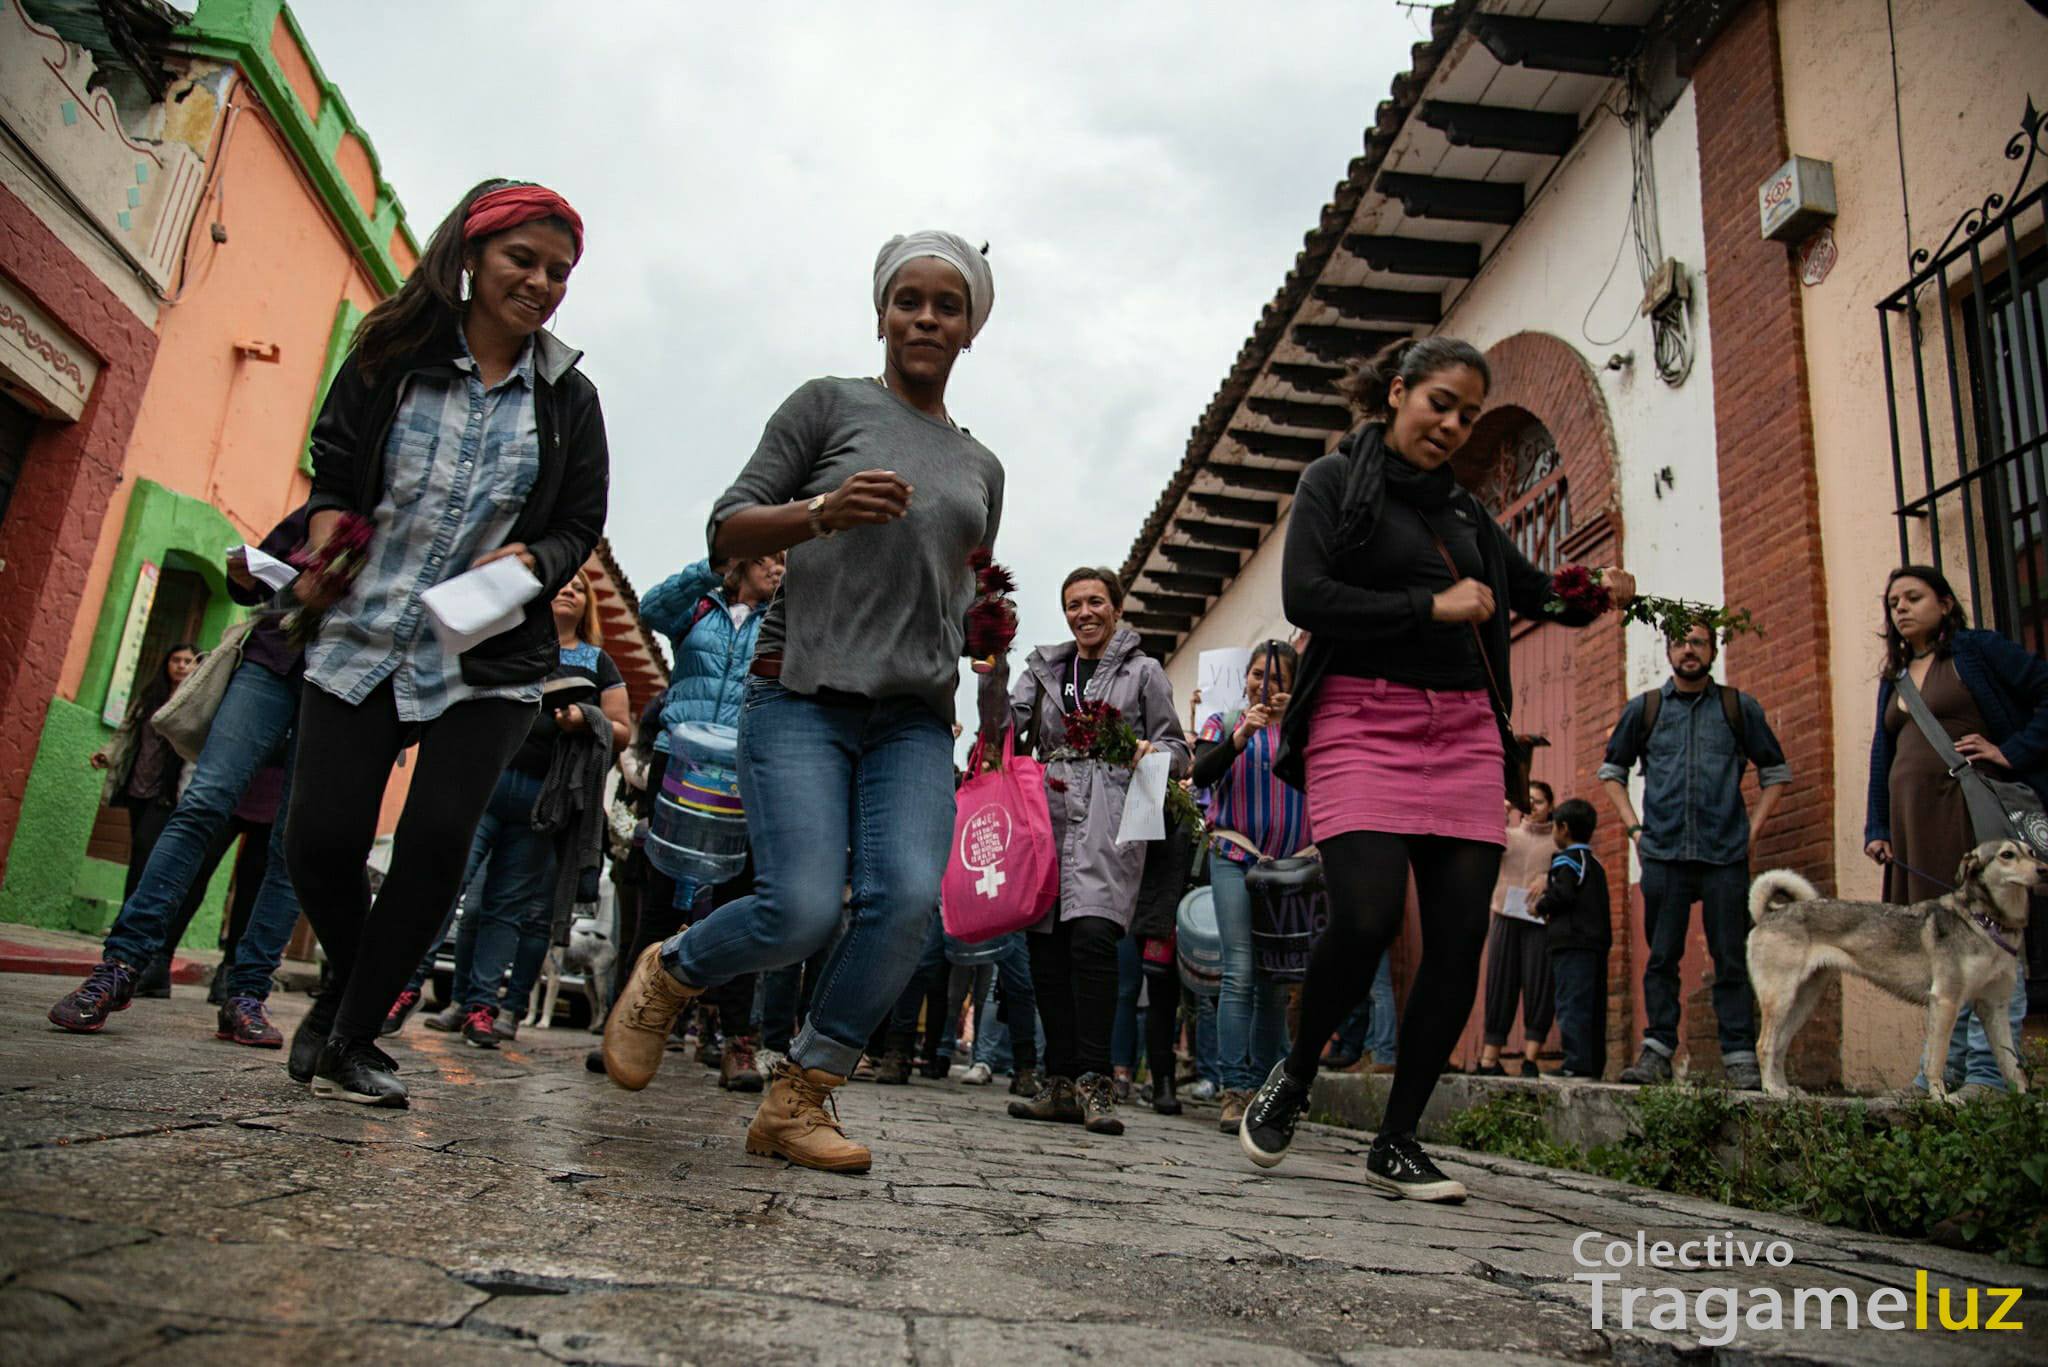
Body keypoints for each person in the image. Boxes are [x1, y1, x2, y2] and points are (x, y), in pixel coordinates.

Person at [603, 231, 1003, 1175]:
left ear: (971, 328)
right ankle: (673, 967)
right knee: (800, 909)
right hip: (799, 692)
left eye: (948, 305)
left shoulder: (982, 466)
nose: (926, 318)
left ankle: (801, 1096)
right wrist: (822, 512)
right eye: (910, 299)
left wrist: (981, 619)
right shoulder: (827, 406)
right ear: (881, 313)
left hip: (912, 714)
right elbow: (727, 526)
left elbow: (965, 581)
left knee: (908, 898)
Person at [1235, 336, 1634, 1201]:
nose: (1452, 424)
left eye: (1467, 413)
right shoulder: (1334, 483)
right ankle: (1297, 1072)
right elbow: (1308, 596)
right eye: (1440, 403)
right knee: (1369, 914)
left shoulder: (1467, 515)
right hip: (1360, 719)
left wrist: (1597, 590)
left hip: (1460, 732)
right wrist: (1431, 604)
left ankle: (1400, 1137)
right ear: (1397, 391)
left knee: (1460, 936)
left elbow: (1534, 595)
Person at [283, 178, 609, 1108]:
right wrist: (325, 537)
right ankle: (358, 987)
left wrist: (537, 557)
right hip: (364, 627)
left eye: (560, 270)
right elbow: (335, 468)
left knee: (433, 843)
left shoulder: (568, 398)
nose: (542, 283)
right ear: (469, 257)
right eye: (523, 261)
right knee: (320, 842)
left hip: (489, 655)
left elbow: (579, 523)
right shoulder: (389, 356)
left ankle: (348, 1037)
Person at [51, 508, 320, 1044]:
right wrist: (243, 576)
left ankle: (246, 993)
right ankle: (120, 966)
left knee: (293, 842)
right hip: (274, 657)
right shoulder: (338, 490)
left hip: (346, 685)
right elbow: (257, 576)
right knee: (201, 804)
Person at [385, 568, 628, 1047]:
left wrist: (587, 717)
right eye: (562, 584)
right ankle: (398, 989)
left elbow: (622, 729)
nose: (569, 591)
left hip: (544, 798)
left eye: (580, 588)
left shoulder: (600, 663)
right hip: (485, 782)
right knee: (442, 884)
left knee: (506, 907)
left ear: (588, 607)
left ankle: (483, 1006)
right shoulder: (512, 636)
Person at [1005, 567, 1190, 1135]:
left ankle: (1095, 1082)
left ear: (1115, 606)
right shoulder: (1043, 669)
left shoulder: (1144, 672)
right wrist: (988, 673)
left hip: (1112, 813)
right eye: (1072, 604)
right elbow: (1005, 734)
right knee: (1046, 947)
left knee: (1092, 937)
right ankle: (1058, 1082)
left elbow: (1178, 750)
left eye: (1093, 602)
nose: (1083, 613)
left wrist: (1146, 753)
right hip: (1048, 812)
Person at [1864, 566, 2048, 1096]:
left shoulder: (1977, 651)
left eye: (1913, 597)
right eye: (1893, 600)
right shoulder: (1895, 678)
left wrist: (2009, 752)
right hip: (1915, 826)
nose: (1900, 608)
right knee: (1946, 953)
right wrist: (1878, 824)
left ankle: (1991, 1076)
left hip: (1973, 821)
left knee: (1994, 943)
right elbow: (1884, 753)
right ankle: (1942, 1073)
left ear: (1945, 604)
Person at [1599, 623, 1791, 1091]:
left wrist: (1752, 830)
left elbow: (1777, 772)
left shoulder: (1737, 707)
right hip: (1663, 851)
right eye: (1681, 642)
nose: (1690, 650)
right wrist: (1634, 829)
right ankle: (1657, 1052)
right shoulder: (1644, 709)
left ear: (1712, 651)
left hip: (1724, 854)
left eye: (1699, 643)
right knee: (1661, 957)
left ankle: (1740, 1055)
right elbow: (1612, 772)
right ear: (1668, 650)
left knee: (1732, 956)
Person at [620, 550, 785, 1086]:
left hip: (745, 766)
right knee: (660, 897)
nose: (777, 568)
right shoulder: (698, 610)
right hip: (681, 756)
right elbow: (650, 607)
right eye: (769, 558)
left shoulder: (782, 621)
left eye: (785, 562)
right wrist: (716, 563)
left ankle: (738, 1041)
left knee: (740, 899)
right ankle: (632, 1021)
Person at [1194, 640, 1309, 1132]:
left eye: (1279, 679)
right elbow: (1199, 772)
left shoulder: (1309, 727)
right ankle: (1234, 1089)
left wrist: (1297, 724)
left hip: (1290, 871)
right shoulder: (1223, 722)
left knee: (1276, 982)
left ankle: (1267, 1089)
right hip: (1235, 857)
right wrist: (1241, 737)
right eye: (1259, 675)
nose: (1267, 686)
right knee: (1240, 971)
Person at [1476, 783, 1556, 1078]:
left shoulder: (1557, 842)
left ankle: (1530, 1059)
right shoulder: (1507, 836)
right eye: (1529, 801)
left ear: (1550, 805)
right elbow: (1482, 845)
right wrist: (1500, 812)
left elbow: (1574, 867)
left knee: (1539, 984)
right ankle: (1488, 1059)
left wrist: (1548, 877)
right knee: (1500, 982)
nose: (1533, 807)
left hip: (1539, 918)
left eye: (1539, 801)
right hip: (1504, 913)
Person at [1130, 806, 1197, 1113]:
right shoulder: (1167, 775)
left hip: (1204, 894)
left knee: (1212, 999)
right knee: (1161, 995)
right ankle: (1162, 1081)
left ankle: (1232, 1083)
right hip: (1162, 900)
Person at [1537, 798, 1609, 1079]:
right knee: (1594, 1005)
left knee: (1571, 1003)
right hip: (1595, 944)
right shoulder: (1595, 863)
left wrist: (1540, 905)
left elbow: (1563, 894)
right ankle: (1593, 1065)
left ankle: (1575, 1065)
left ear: (1563, 828)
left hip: (1571, 944)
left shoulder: (1567, 860)